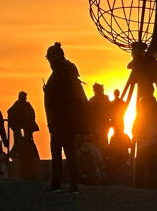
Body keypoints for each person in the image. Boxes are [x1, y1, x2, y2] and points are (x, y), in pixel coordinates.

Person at [43, 42, 88, 194]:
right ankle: (73, 185)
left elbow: (56, 100)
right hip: (71, 121)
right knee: (70, 153)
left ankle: (56, 184)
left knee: (56, 152)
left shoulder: (57, 74)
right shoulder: (70, 72)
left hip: (59, 121)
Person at [7, 91, 39, 180]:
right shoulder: (17, 105)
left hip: (26, 127)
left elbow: (32, 115)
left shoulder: (27, 106)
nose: (25, 99)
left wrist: (28, 125)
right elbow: (10, 112)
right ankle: (13, 154)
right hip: (19, 127)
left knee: (28, 142)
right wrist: (17, 125)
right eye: (24, 97)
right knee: (18, 141)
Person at [133, 96, 157, 188]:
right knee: (152, 171)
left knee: (140, 171)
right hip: (153, 147)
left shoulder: (139, 117)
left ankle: (140, 188)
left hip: (142, 147)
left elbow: (134, 130)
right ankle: (151, 188)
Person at [88, 83, 112, 147]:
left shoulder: (92, 100)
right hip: (101, 124)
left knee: (99, 141)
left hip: (99, 124)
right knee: (103, 140)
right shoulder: (105, 98)